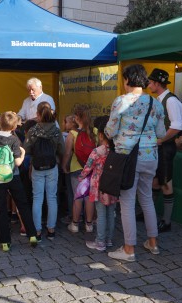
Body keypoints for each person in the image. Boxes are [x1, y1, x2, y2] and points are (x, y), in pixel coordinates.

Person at [105, 64, 166, 262]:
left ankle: (129, 249)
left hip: (128, 158)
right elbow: (161, 134)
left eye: (124, 80)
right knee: (147, 198)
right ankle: (153, 243)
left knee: (128, 203)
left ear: (128, 80)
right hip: (150, 156)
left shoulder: (122, 101)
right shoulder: (155, 103)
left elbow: (110, 131)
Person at [0, 111, 38, 252]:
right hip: (13, 176)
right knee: (22, 204)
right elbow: (17, 162)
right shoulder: (14, 140)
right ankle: (32, 235)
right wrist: (23, 153)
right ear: (13, 127)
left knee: (1, 209)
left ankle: (5, 242)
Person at [148, 68, 182, 233]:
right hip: (159, 146)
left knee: (166, 183)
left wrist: (161, 140)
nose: (148, 84)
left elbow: (176, 126)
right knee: (155, 181)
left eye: (150, 82)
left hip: (166, 147)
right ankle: (149, 214)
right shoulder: (160, 99)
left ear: (156, 83)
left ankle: (166, 221)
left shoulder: (170, 101)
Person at [24, 102, 64, 241]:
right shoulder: (56, 130)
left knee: (37, 198)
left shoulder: (33, 130)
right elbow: (62, 150)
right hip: (52, 166)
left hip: (37, 167)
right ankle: (51, 229)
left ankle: (37, 231)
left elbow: (27, 149)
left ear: (38, 114)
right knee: (52, 198)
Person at [81, 116, 118, 251]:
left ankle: (100, 241)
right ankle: (108, 239)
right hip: (112, 185)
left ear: (101, 135)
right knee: (111, 213)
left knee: (101, 213)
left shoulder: (97, 151)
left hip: (99, 186)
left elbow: (87, 167)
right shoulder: (116, 150)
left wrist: (81, 177)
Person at [62, 105, 97, 233]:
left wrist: (64, 165)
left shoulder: (72, 133)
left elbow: (67, 153)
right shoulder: (95, 131)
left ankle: (75, 224)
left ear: (77, 118)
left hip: (76, 168)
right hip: (92, 168)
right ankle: (89, 224)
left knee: (78, 196)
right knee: (89, 197)